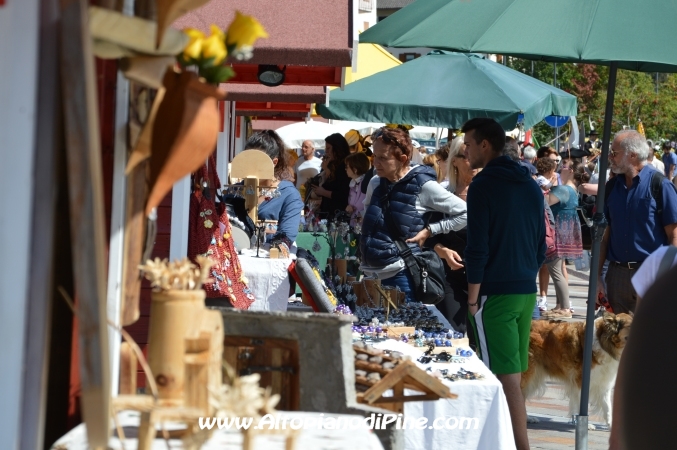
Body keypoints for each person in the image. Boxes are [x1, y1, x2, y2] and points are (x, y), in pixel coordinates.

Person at [463, 118, 545, 450]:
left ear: (486, 144)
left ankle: (518, 446)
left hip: (495, 293)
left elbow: (477, 247)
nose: (465, 150)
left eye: (468, 143)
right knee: (511, 376)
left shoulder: (483, 185)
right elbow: (542, 244)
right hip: (525, 290)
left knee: (502, 378)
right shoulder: (530, 185)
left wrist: (472, 299)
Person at [360, 127, 467, 303]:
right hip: (369, 275)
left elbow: (466, 212)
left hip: (401, 277)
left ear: (402, 159)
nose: (375, 163)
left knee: (399, 330)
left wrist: (430, 230)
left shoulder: (424, 186)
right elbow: (369, 217)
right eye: (374, 156)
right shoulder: (375, 183)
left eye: (383, 158)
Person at [598, 130, 677, 314]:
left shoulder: (660, 185)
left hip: (652, 273)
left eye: (614, 153)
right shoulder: (611, 188)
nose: (610, 157)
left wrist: (665, 279)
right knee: (618, 340)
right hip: (617, 276)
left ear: (632, 155)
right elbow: (603, 237)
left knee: (650, 338)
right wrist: (597, 278)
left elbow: (674, 236)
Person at [427, 136, 478, 342]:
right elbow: (427, 234)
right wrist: (442, 251)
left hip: (483, 278)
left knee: (480, 340)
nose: (473, 162)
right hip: (449, 276)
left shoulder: (488, 193)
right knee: (450, 334)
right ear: (454, 161)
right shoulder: (442, 193)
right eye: (467, 156)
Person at [243, 130, 304, 250]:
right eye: (248, 160)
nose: (252, 166)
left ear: (274, 162)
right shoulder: (237, 190)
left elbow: (287, 235)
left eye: (258, 161)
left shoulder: (289, 194)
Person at [540, 162, 584, 319]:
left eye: (564, 166)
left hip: (557, 232)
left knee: (555, 269)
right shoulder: (573, 190)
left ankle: (565, 307)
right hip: (566, 232)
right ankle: (560, 305)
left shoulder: (563, 189)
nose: (560, 168)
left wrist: (544, 189)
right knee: (557, 268)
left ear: (571, 171)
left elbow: (543, 203)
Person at [311, 133, 351, 221]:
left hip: (337, 214)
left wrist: (323, 192)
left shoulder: (344, 167)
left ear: (337, 149)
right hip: (328, 212)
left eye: (328, 148)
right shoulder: (332, 165)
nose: (326, 151)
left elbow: (343, 194)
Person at [344, 152, 370, 227]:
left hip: (364, 229)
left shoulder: (367, 183)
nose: (345, 169)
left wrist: (362, 214)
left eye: (347, 167)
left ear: (355, 169)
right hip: (354, 227)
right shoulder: (352, 184)